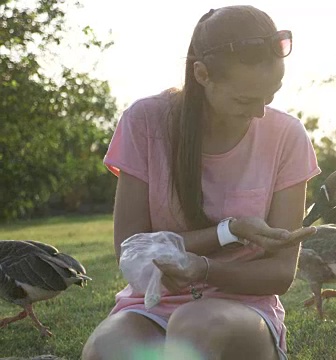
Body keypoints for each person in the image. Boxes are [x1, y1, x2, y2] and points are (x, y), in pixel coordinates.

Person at [82, 5, 320, 360]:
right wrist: (231, 230)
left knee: (194, 328)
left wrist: (204, 268)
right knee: (108, 349)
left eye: (271, 94)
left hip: (242, 310)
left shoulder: (288, 135)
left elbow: (280, 274)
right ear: (202, 74)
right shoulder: (145, 121)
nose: (260, 112)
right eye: (245, 99)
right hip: (151, 305)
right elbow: (131, 251)